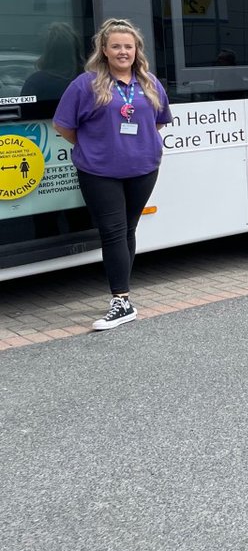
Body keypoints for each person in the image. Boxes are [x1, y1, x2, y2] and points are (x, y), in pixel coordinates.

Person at [52, 18, 172, 331]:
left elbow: (158, 122)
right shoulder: (85, 84)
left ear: (136, 50)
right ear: (104, 50)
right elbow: (63, 126)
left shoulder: (149, 83)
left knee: (127, 229)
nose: (122, 52)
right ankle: (121, 300)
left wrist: (133, 145)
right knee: (113, 231)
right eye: (116, 46)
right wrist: (96, 146)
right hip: (99, 171)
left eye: (128, 46)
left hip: (143, 168)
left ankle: (123, 296)